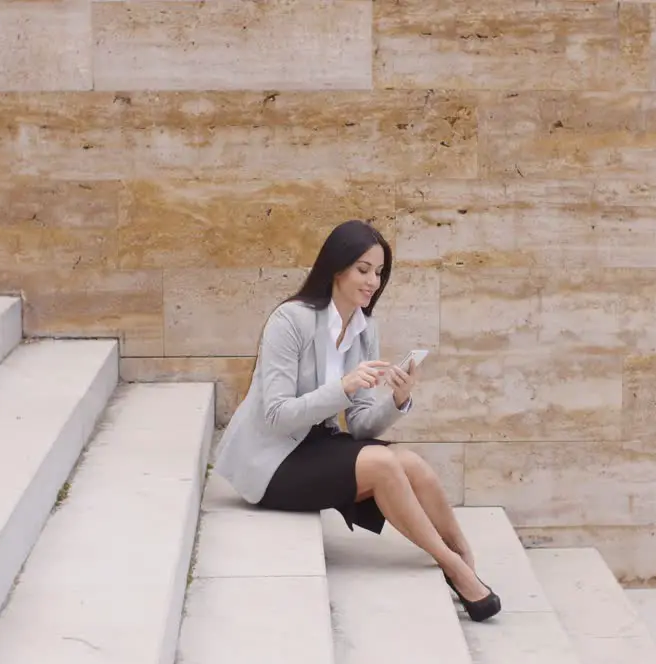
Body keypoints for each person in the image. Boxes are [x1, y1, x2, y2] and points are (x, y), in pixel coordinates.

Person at [213, 219, 501, 622]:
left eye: (379, 273)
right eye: (364, 269)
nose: (373, 281)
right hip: (273, 459)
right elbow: (275, 415)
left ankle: (465, 557)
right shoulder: (290, 321)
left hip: (317, 444)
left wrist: (398, 399)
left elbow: (361, 425)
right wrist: (343, 387)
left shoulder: (365, 330)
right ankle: (452, 566)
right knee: (384, 465)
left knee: (410, 463)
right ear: (337, 268)